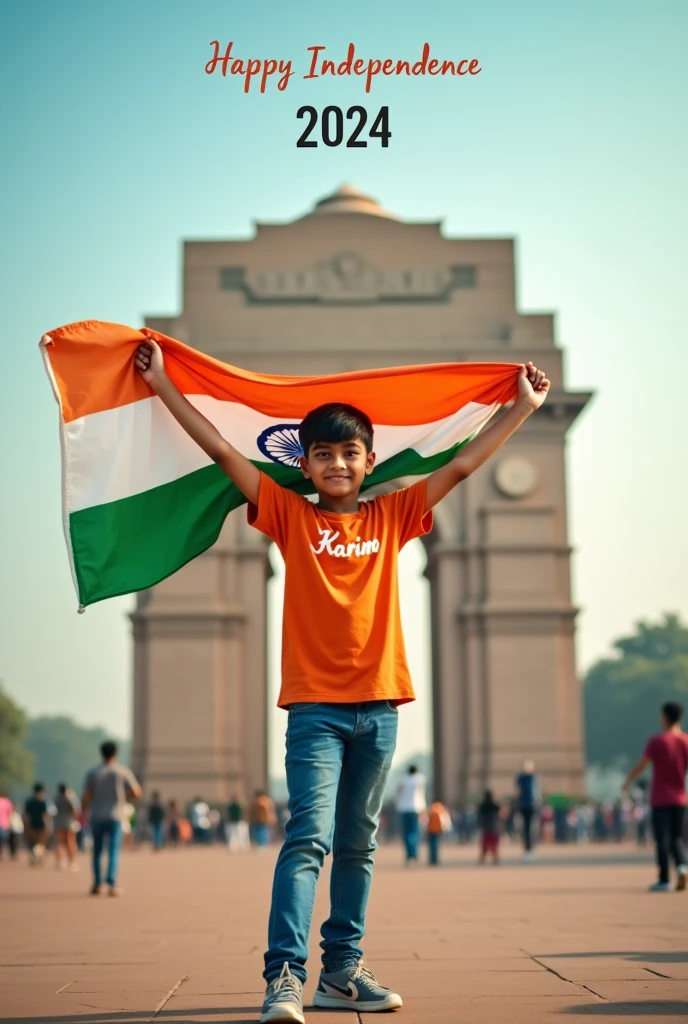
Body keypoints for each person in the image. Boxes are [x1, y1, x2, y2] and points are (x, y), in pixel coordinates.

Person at [135, 337, 550, 1024]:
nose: (336, 463)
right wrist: (165, 389)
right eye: (322, 454)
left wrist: (524, 407)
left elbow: (468, 462)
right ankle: (284, 978)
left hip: (380, 707)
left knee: (359, 844)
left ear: (369, 462)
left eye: (348, 452)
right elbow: (222, 452)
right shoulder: (288, 516)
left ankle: (342, 971)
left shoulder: (394, 516)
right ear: (306, 463)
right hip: (315, 710)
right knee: (308, 838)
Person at [622, 701, 688, 892]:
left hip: (660, 798)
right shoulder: (685, 740)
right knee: (676, 838)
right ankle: (682, 867)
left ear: (665, 717)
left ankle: (664, 879)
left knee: (662, 839)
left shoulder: (657, 741)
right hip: (681, 798)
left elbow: (642, 764)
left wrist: (628, 782)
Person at [81, 740, 141, 896]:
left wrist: (82, 811)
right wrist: (123, 795)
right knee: (113, 850)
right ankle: (112, 883)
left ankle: (97, 884)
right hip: (115, 815)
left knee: (97, 851)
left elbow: (86, 796)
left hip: (96, 816)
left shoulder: (93, 773)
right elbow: (136, 792)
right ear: (115, 753)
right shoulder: (122, 772)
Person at [395, 765, 427, 865]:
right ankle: (414, 855)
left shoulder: (403, 779)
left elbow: (399, 791)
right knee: (414, 833)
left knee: (406, 834)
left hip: (404, 808)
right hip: (416, 808)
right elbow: (422, 792)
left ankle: (409, 855)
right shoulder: (420, 778)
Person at [515, 759, 540, 860]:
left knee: (532, 829)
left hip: (532, 806)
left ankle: (530, 850)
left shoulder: (534, 778)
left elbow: (536, 793)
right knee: (526, 829)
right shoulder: (523, 778)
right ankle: (527, 850)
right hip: (525, 806)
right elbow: (519, 792)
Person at [53, 783, 80, 870]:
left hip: (59, 823)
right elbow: (76, 810)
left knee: (60, 843)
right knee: (70, 842)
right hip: (69, 823)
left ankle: (60, 862)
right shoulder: (70, 798)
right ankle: (72, 862)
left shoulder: (56, 799)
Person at [23, 783, 50, 865]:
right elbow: (46, 815)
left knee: (33, 842)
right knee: (41, 843)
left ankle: (35, 856)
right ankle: (36, 854)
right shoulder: (43, 801)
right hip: (41, 824)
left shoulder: (29, 801)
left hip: (31, 824)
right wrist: (47, 825)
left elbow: (26, 815)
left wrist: (26, 825)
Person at [477, 790, 501, 864]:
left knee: (485, 845)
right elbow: (501, 815)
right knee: (494, 845)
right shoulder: (495, 805)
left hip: (485, 828)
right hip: (494, 828)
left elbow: (479, 817)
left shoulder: (482, 806)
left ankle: (482, 859)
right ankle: (495, 859)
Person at [425, 800, 451, 866]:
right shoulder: (441, 810)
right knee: (436, 845)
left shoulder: (431, 810)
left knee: (432, 846)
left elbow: (425, 820)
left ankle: (432, 859)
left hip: (430, 830)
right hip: (438, 830)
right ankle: (435, 859)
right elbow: (445, 820)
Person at [0, 791, 13, 860]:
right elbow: (10, 813)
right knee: (3, 840)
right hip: (5, 824)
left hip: (3, 824)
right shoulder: (7, 802)